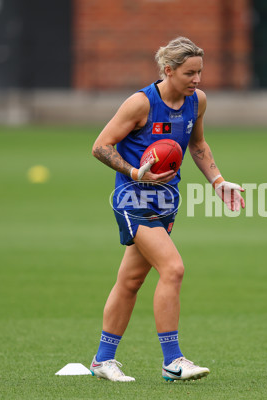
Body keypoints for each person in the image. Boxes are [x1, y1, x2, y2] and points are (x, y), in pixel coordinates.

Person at [89, 37, 245, 382]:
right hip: (132, 199)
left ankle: (103, 360)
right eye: (190, 73)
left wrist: (219, 182)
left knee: (130, 280)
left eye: (200, 72)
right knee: (173, 268)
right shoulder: (140, 103)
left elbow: (198, 144)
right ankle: (172, 361)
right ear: (168, 70)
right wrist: (134, 172)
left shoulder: (197, 101)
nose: (197, 80)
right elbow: (101, 146)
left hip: (166, 203)